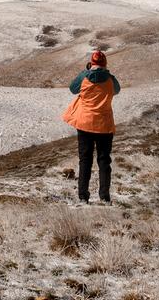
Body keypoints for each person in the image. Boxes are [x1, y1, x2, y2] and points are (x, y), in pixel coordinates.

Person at [61, 49, 120, 204]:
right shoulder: (110, 79)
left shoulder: (84, 76)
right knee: (104, 161)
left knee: (85, 160)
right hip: (104, 125)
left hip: (85, 123)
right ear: (105, 64)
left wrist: (85, 72)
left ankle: (83, 196)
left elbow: (73, 89)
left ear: (92, 63)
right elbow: (117, 90)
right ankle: (105, 196)